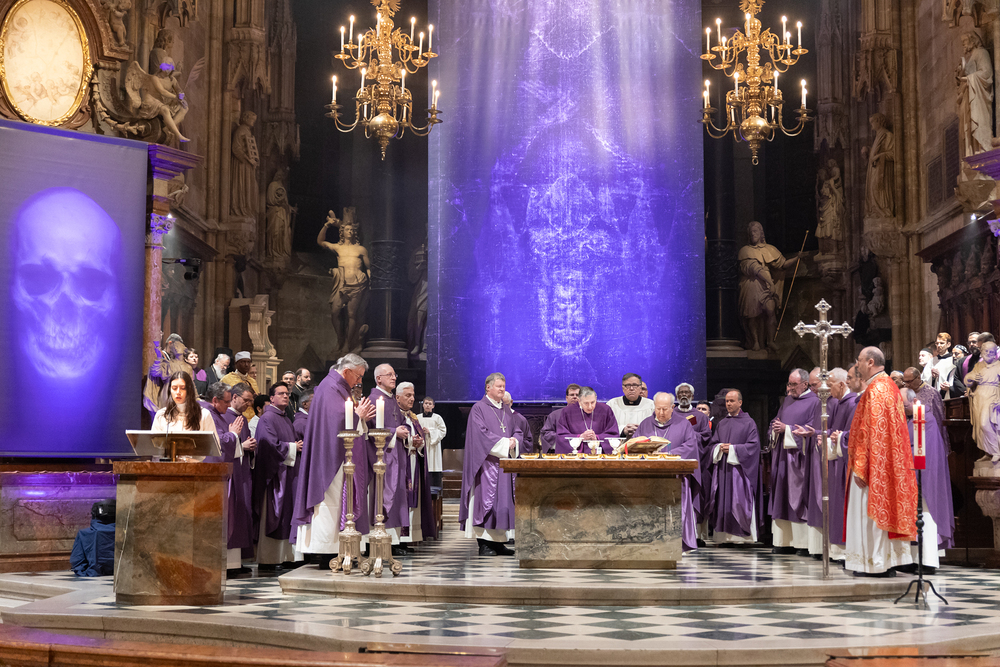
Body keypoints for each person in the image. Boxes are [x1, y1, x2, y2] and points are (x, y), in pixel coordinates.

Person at [292, 354, 374, 571]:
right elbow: (336, 421)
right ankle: (327, 551)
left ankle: (343, 549)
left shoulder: (338, 387)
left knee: (340, 500)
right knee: (331, 501)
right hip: (331, 459)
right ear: (346, 371)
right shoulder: (330, 388)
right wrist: (358, 415)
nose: (359, 381)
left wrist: (359, 417)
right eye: (358, 376)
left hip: (341, 456)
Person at [844, 346, 917, 577]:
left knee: (869, 515)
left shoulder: (877, 389)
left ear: (870, 362)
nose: (857, 365)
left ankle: (874, 564)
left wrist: (862, 466)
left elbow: (871, 433)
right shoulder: (886, 386)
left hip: (874, 466)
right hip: (885, 462)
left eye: (859, 360)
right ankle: (883, 562)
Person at [459, 372, 521, 556]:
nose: (502, 389)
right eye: (498, 386)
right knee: (486, 502)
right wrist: (505, 443)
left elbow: (517, 430)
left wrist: (514, 441)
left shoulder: (506, 410)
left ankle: (499, 542)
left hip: (504, 465)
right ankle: (484, 543)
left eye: (503, 386)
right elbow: (480, 434)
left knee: (503, 502)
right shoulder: (478, 408)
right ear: (488, 387)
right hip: (485, 464)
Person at [633, 393, 699, 551]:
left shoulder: (683, 424)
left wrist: (668, 454)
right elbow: (634, 445)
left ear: (672, 407)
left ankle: (678, 543)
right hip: (650, 477)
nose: (661, 412)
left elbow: (691, 446)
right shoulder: (645, 424)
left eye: (664, 409)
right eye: (658, 409)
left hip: (676, 477)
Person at [901, 389, 954, 569]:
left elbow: (925, 451)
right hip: (909, 476)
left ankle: (927, 560)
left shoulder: (925, 419)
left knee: (925, 515)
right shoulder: (908, 418)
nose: (902, 409)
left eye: (904, 405)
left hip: (924, 477)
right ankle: (912, 559)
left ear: (914, 400)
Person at [769, 369, 820, 555]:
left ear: (805, 384)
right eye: (789, 384)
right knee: (781, 498)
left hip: (799, 459)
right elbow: (777, 420)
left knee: (798, 498)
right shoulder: (787, 401)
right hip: (783, 457)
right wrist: (775, 428)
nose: (789, 388)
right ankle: (783, 542)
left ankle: (802, 544)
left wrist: (788, 430)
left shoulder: (815, 402)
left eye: (793, 384)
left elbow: (813, 428)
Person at [254, 382, 303, 572]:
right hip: (274, 476)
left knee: (286, 515)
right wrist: (293, 447)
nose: (285, 396)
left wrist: (294, 446)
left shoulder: (286, 419)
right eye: (281, 393)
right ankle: (269, 559)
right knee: (273, 514)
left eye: (287, 394)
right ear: (272, 398)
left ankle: (285, 557)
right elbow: (268, 445)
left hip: (287, 473)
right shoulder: (267, 418)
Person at [704, 390, 760, 545]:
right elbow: (712, 445)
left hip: (740, 472)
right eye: (727, 401)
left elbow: (753, 447)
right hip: (723, 470)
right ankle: (724, 537)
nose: (728, 404)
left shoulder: (749, 423)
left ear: (740, 403)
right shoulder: (722, 423)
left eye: (732, 401)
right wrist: (719, 448)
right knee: (723, 501)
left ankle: (742, 538)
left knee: (739, 502)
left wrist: (734, 449)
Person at [367, 364, 411, 554]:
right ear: (379, 379)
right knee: (384, 495)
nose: (394, 378)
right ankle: (380, 541)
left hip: (397, 455)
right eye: (389, 375)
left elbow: (402, 423)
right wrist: (394, 432)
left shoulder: (391, 400)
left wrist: (406, 432)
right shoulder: (373, 400)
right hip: (382, 457)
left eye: (394, 374)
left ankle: (393, 542)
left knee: (397, 495)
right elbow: (370, 430)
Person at [220, 382, 257, 576]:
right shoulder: (224, 417)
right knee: (232, 516)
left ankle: (236, 562)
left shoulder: (242, 419)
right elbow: (221, 446)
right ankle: (228, 564)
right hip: (231, 475)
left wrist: (250, 447)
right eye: (246, 400)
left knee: (242, 515)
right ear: (234, 397)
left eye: (251, 401)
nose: (248, 404)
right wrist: (243, 446)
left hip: (242, 473)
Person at [825, 367, 858, 561]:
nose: (829, 391)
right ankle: (837, 550)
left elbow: (853, 435)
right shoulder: (840, 403)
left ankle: (844, 551)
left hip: (846, 462)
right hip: (838, 459)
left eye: (830, 386)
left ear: (841, 384)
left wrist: (838, 437)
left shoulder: (852, 403)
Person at [397, 382, 436, 545]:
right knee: (402, 500)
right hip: (401, 464)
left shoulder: (413, 417)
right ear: (397, 398)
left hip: (414, 461)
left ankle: (408, 539)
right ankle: (399, 540)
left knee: (413, 499)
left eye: (413, 395)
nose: (412, 399)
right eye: (408, 395)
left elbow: (419, 439)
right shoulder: (394, 415)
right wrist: (410, 442)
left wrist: (419, 444)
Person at [675, 382, 712, 542]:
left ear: (692, 396)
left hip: (694, 465)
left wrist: (689, 436)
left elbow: (707, 438)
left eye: (687, 393)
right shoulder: (671, 414)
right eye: (681, 393)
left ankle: (695, 536)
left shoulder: (701, 417)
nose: (684, 395)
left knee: (695, 496)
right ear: (677, 396)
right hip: (675, 464)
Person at [555, 387, 619, 454]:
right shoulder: (567, 411)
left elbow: (613, 434)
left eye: (592, 402)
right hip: (576, 456)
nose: (590, 407)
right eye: (586, 403)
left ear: (596, 398)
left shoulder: (606, 410)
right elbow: (561, 437)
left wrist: (597, 437)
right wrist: (580, 437)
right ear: (579, 401)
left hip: (599, 456)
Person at [965, 341, 1000, 461]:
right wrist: (971, 379)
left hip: (992, 396)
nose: (989, 354)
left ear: (995, 353)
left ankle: (996, 451)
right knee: (979, 426)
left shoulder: (999, 366)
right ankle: (988, 453)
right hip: (979, 397)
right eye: (986, 351)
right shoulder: (978, 366)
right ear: (982, 352)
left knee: (985, 423)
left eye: (991, 352)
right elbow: (968, 378)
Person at [151, 371, 215, 435]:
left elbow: (213, 441)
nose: (178, 392)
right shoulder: (161, 415)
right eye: (174, 388)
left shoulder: (204, 414)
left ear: (189, 390)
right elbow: (154, 440)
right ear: (170, 390)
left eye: (183, 388)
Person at [607, 373, 654, 438]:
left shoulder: (651, 405)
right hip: (619, 442)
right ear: (623, 388)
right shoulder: (612, 404)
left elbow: (657, 428)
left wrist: (641, 430)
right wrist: (623, 430)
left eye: (635, 385)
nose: (631, 388)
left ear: (640, 388)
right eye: (628, 385)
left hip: (643, 443)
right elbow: (606, 428)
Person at [540, 384, 580, 453]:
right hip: (560, 454)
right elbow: (546, 433)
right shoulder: (554, 415)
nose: (575, 397)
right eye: (572, 395)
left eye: (577, 395)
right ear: (567, 398)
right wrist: (563, 439)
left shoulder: (588, 415)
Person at [418, 397, 447, 493]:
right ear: (423, 405)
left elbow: (443, 431)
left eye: (430, 404)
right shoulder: (417, 418)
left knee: (434, 467)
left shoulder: (437, 418)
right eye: (426, 403)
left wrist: (430, 431)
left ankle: (435, 494)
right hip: (421, 446)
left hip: (433, 447)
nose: (427, 405)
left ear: (433, 406)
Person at [221, 351, 259, 420]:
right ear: (236, 363)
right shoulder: (227, 379)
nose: (246, 365)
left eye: (248, 362)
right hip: (235, 417)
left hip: (253, 417)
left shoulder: (252, 381)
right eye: (243, 362)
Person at [928, 333, 956, 399]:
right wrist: (933, 377)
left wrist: (949, 386)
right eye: (937, 343)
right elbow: (925, 379)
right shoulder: (932, 361)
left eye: (942, 343)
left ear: (948, 344)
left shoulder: (953, 360)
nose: (939, 345)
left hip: (949, 395)